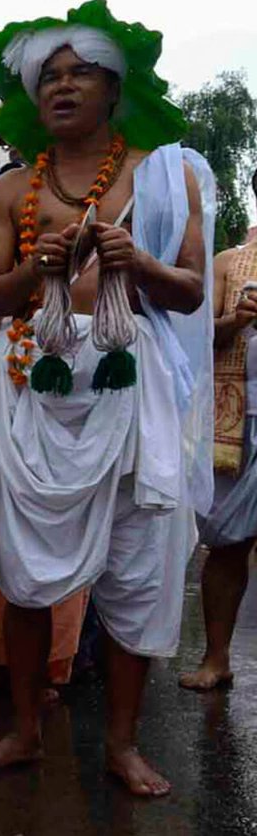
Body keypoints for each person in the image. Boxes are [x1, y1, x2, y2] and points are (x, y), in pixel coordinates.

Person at [0, 0, 213, 797]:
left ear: (116, 89)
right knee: (24, 573)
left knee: (142, 569)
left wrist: (133, 259)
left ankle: (122, 744)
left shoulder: (167, 174)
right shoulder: (11, 189)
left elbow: (187, 292)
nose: (63, 87)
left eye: (82, 75)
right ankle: (26, 730)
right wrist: (38, 267)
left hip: (127, 380)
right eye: (50, 77)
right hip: (32, 378)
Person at [0, 279, 88, 696]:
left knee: (55, 544)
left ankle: (47, 665)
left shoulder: (81, 276)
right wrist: (2, 310)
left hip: (57, 421)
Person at [183, 170, 257, 692]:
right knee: (227, 544)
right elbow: (194, 339)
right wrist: (236, 321)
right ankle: (216, 658)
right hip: (240, 423)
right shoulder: (230, 263)